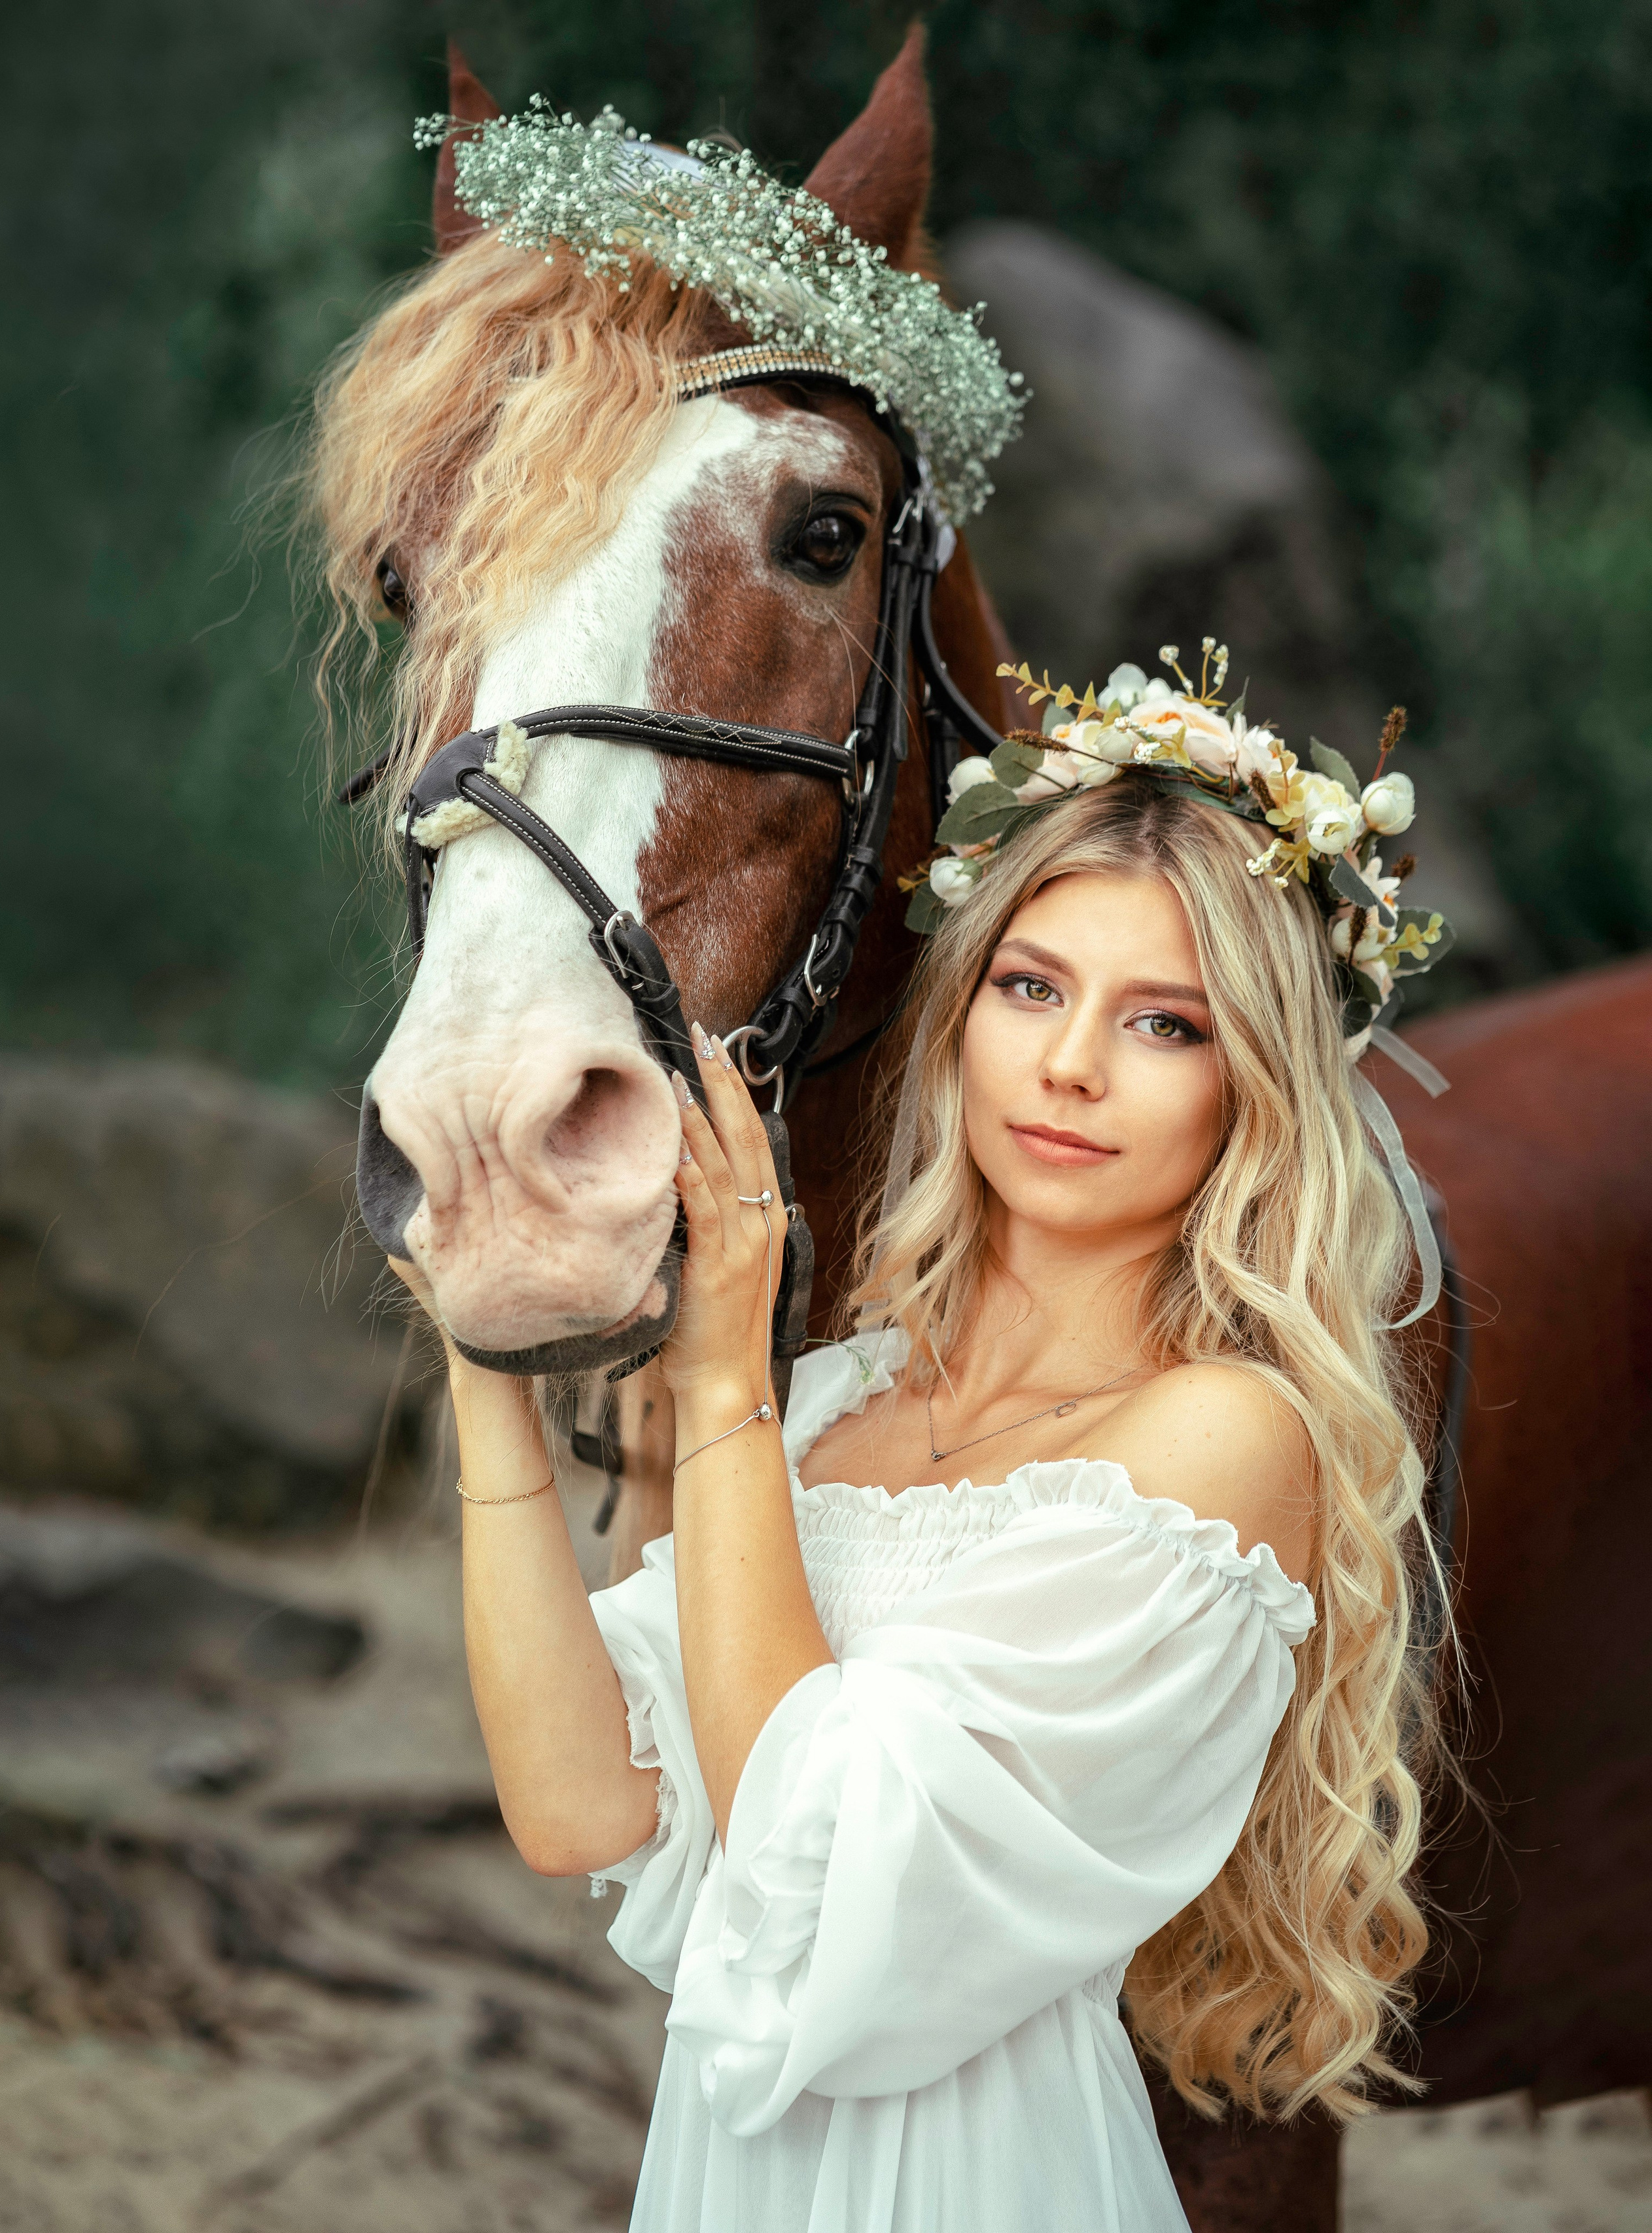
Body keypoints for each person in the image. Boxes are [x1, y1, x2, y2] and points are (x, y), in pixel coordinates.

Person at [393, 682, 1451, 2230]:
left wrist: (722, 1387)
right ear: (957, 1020)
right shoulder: (839, 1403)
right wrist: (486, 1349)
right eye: (1030, 987)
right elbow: (581, 1808)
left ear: (1253, 1093)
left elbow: (814, 1851)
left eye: (1163, 1023)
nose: (1071, 1063)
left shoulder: (1221, 1437)